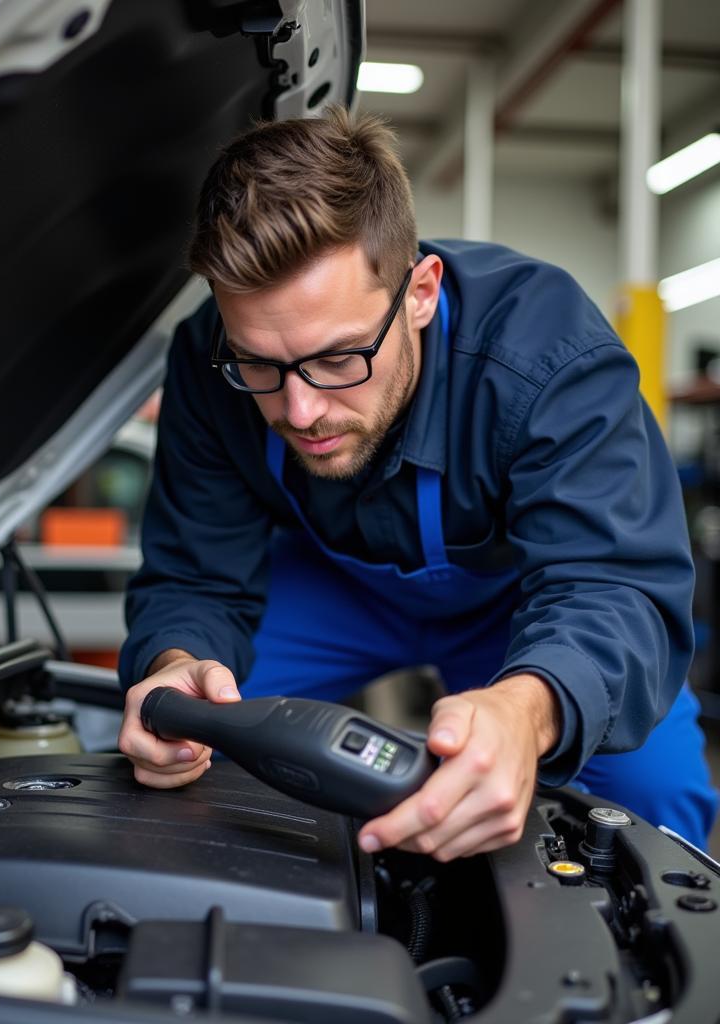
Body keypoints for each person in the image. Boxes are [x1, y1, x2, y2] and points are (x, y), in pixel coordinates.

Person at [116, 106, 718, 859]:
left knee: (653, 805)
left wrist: (526, 712)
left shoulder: (547, 352)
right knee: (174, 743)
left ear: (421, 293)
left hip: (525, 604)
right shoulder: (206, 363)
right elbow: (196, 578)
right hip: (329, 591)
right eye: (261, 367)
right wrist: (174, 668)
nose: (300, 409)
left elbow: (614, 585)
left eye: (339, 359)